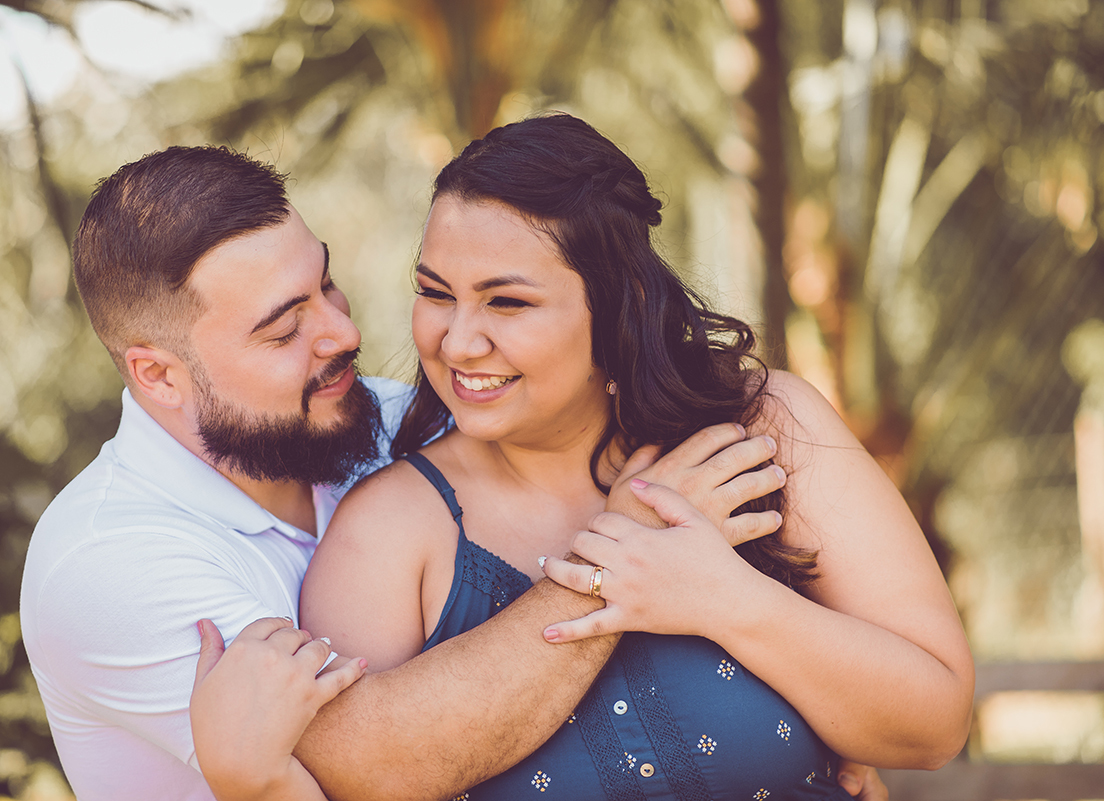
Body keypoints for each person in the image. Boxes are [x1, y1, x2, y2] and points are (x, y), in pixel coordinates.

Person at [195, 115, 971, 799]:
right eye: (436, 292)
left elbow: (934, 722)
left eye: (508, 302)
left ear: (621, 306)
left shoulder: (767, 429)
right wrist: (613, 558)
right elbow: (355, 775)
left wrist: (723, 596)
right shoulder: (394, 526)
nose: (458, 341)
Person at [19, 145, 805, 801]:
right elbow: (375, 761)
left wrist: (794, 721)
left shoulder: (387, 420)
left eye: (325, 283)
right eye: (285, 327)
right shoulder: (110, 565)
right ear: (158, 375)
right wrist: (624, 550)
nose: (344, 330)